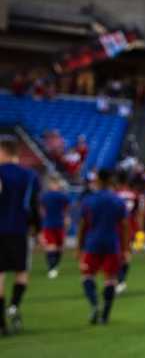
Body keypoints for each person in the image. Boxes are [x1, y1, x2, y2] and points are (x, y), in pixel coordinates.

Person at [77, 169, 130, 325]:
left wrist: (79, 247)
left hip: (92, 243)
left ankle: (94, 305)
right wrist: (126, 248)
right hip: (112, 243)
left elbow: (82, 225)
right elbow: (125, 225)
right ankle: (105, 314)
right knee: (111, 278)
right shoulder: (118, 201)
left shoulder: (89, 200)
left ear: (98, 180)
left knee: (87, 275)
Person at [0, 137, 40, 336]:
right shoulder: (30, 175)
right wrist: (37, 229)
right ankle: (14, 306)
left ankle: (1, 323)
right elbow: (34, 206)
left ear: (4, 151)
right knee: (21, 271)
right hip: (19, 230)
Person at [39, 175, 71, 279]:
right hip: (50, 224)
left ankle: (54, 266)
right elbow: (42, 210)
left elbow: (66, 209)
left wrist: (66, 218)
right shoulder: (47, 196)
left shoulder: (59, 196)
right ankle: (52, 268)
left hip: (58, 224)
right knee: (52, 246)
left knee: (59, 247)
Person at [113, 173, 140, 294]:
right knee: (127, 253)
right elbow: (137, 212)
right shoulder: (134, 195)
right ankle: (121, 280)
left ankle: (119, 280)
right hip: (131, 226)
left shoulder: (115, 195)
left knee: (116, 253)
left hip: (117, 226)